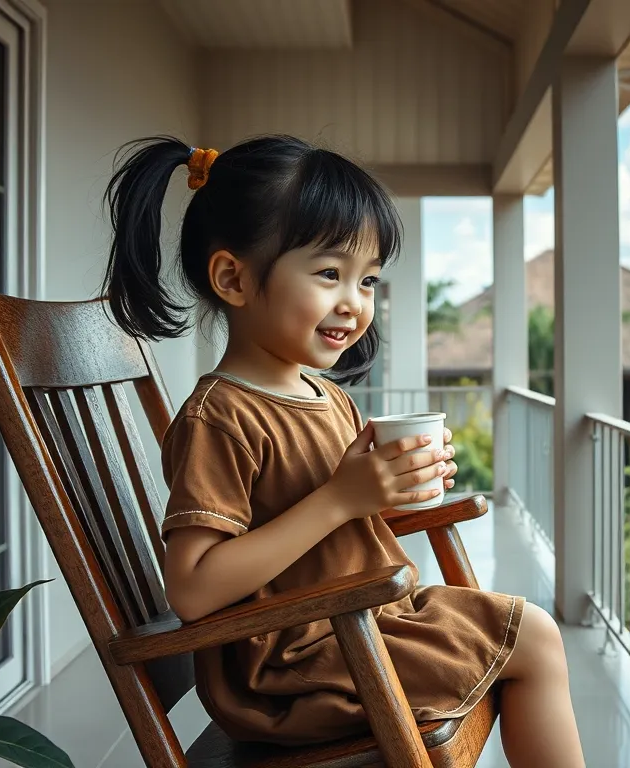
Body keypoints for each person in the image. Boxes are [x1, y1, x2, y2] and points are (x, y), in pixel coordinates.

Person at [98, 134, 586, 766]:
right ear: (234, 278)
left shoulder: (325, 396)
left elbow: (340, 521)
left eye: (369, 280)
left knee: (530, 634)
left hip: (360, 622)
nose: (355, 304)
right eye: (330, 273)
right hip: (296, 664)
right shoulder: (220, 416)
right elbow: (192, 591)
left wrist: (390, 490)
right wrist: (340, 500)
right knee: (534, 638)